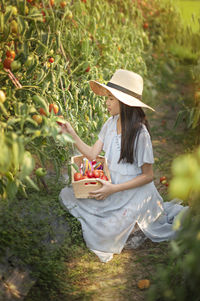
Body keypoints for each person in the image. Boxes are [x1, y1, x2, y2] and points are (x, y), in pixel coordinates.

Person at [59, 69, 188, 263]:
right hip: (112, 186)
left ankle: (131, 223)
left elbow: (147, 176)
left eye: (111, 99)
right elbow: (93, 154)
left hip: (133, 192)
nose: (106, 103)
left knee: (102, 237)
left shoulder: (139, 133)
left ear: (125, 102)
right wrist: (72, 134)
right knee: (67, 194)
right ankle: (121, 221)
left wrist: (113, 189)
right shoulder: (110, 123)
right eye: (108, 98)